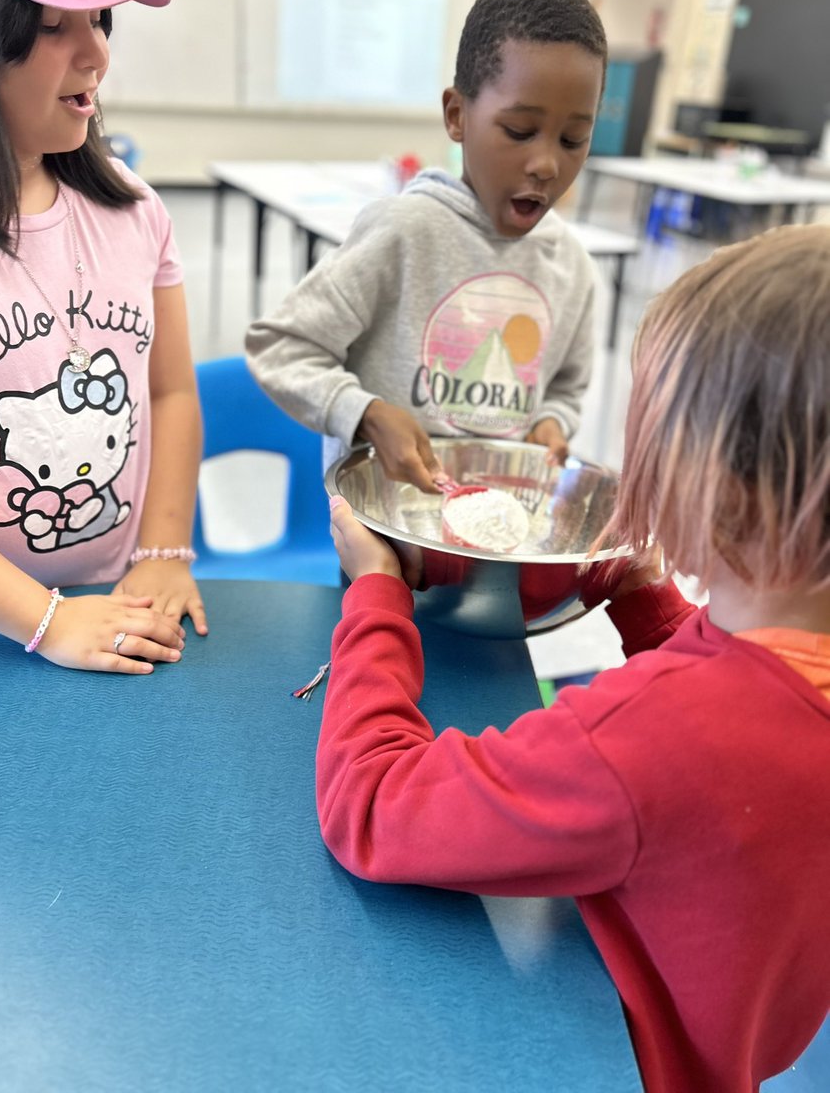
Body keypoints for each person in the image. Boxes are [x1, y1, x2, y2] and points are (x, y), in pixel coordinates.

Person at [317, 225, 830, 1091]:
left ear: (725, 494)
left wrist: (376, 595)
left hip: (600, 1058)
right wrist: (645, 598)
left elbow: (371, 807)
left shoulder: (650, 741)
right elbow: (754, 736)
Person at [0, 0, 207, 673]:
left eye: (100, 20)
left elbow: (169, 395)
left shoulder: (135, 210)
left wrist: (162, 550)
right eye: (55, 28)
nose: (96, 55)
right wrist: (45, 622)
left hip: (110, 604)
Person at [246, 0, 607, 493]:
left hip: (499, 530)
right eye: (520, 132)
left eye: (574, 139)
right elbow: (279, 348)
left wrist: (552, 423)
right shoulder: (403, 232)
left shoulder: (572, 267)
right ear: (457, 116)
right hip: (385, 540)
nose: (547, 163)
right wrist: (365, 412)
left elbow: (566, 389)